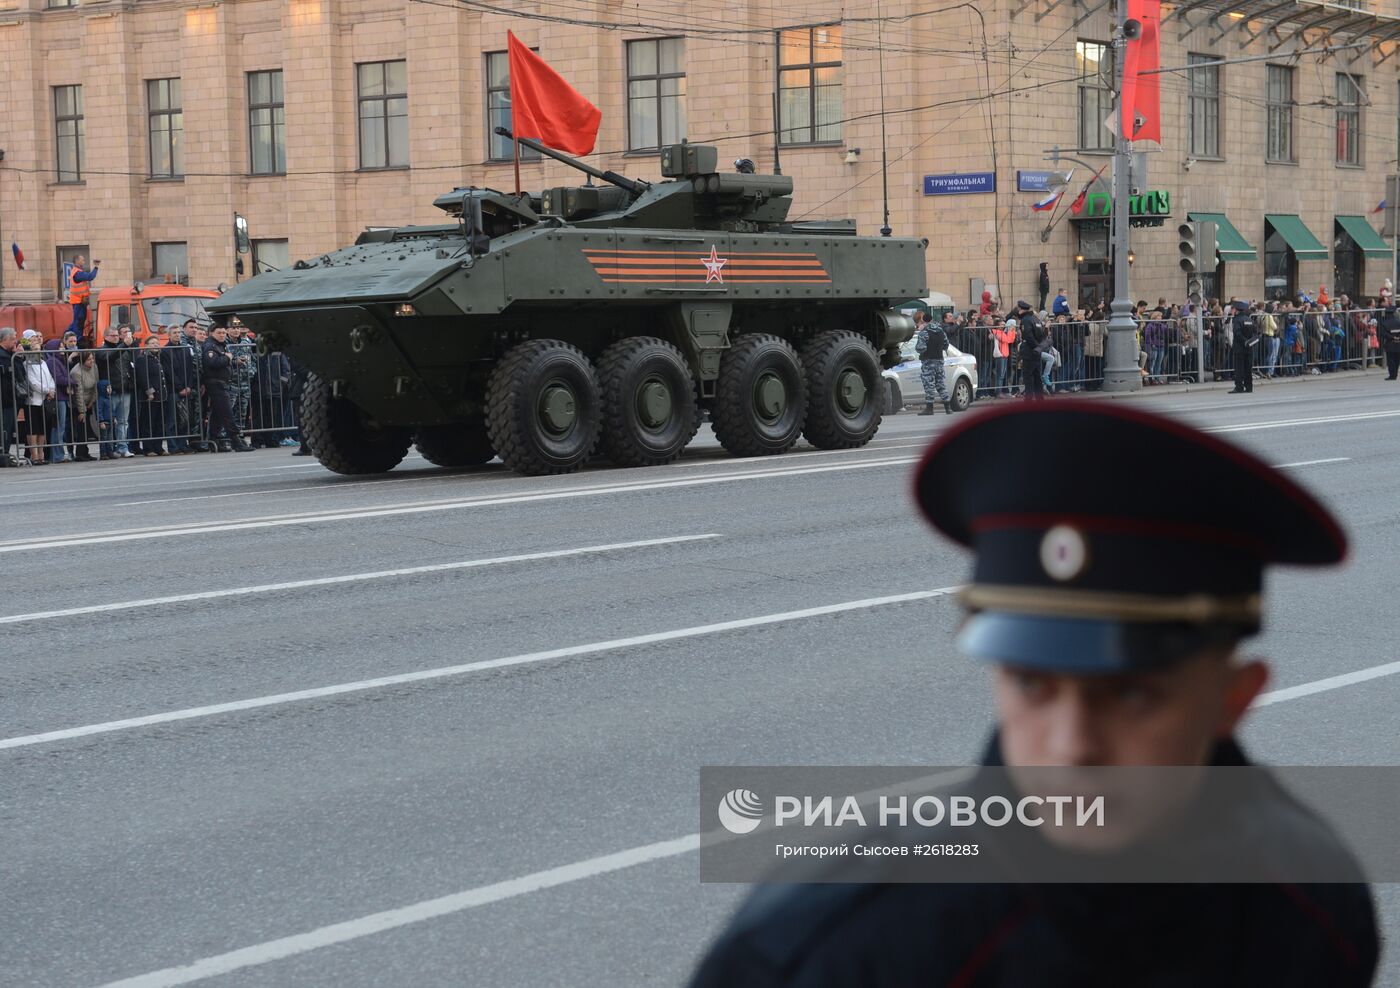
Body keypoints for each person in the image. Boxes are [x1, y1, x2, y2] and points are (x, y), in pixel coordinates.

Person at [689, 400, 1379, 988]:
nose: (1071, 745)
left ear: (1234, 698)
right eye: (1031, 683)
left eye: (1133, 695)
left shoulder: (1311, 906)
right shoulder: (834, 947)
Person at [202, 325, 251, 452]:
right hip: (216, 384)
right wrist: (227, 357)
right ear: (211, 333)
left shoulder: (220, 345)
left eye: (224, 332)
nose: (222, 335)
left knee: (218, 414)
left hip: (222, 383)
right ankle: (237, 442)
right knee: (227, 413)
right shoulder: (210, 346)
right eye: (219, 332)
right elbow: (213, 363)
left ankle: (215, 441)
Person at [19, 330, 56, 464]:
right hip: (33, 399)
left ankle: (41, 454)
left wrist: (52, 389)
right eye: (32, 339)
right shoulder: (26, 363)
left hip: (45, 399)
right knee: (33, 429)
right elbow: (33, 381)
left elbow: (50, 378)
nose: (36, 342)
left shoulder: (43, 363)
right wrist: (47, 390)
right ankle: (33, 455)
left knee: (42, 429)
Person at [162, 320, 197, 453]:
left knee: (184, 419)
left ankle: (183, 444)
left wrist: (189, 386)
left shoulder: (185, 349)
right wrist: (180, 388)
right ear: (169, 335)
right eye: (174, 333)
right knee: (172, 420)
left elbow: (189, 370)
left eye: (178, 332)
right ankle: (173, 446)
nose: (177, 335)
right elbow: (169, 372)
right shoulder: (165, 351)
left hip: (186, 389)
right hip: (173, 391)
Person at [41, 333, 74, 462]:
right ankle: (57, 455)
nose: (62, 348)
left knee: (61, 427)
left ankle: (58, 454)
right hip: (58, 398)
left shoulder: (60, 361)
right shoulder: (52, 361)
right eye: (60, 346)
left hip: (62, 397)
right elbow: (59, 379)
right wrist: (73, 381)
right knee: (58, 428)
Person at [134, 334, 169, 456]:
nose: (155, 345)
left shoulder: (157, 358)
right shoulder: (142, 359)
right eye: (152, 343)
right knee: (148, 423)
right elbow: (143, 377)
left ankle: (158, 447)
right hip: (150, 396)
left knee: (159, 423)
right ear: (146, 346)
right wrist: (150, 391)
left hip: (161, 395)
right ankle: (148, 448)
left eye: (157, 343)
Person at [913, 311, 951, 416]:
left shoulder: (924, 332)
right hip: (939, 360)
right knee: (940, 384)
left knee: (929, 385)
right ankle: (948, 407)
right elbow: (946, 344)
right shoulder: (940, 331)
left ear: (923, 321)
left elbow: (920, 348)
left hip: (928, 361)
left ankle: (929, 409)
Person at [68, 349, 99, 461]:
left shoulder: (94, 367)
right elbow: (79, 393)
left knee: (87, 428)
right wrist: (82, 411)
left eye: (92, 358)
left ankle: (85, 452)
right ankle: (80, 453)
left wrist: (92, 401)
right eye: (89, 359)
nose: (92, 361)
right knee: (81, 428)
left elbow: (96, 385)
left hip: (89, 399)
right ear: (82, 360)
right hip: (78, 402)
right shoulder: (76, 372)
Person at [1015, 301, 1047, 400]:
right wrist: (1038, 347)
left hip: (1029, 351)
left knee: (1028, 377)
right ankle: (1039, 399)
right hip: (1036, 351)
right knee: (1037, 376)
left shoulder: (1026, 320)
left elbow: (1028, 336)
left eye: (1019, 309)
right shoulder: (1036, 319)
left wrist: (1034, 346)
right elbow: (1041, 335)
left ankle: (1028, 400)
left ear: (1022, 310)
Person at [0, 327, 23, 466]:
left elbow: (20, 373)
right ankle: (3, 456)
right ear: (4, 339)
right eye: (13, 339)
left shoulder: (9, 354)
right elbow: (15, 372)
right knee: (5, 429)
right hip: (4, 398)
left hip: (10, 398)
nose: (15, 341)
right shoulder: (3, 356)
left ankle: (6, 454)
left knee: (8, 429)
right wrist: (17, 357)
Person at [65, 255, 100, 340]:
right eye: (82, 260)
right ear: (77, 261)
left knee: (77, 322)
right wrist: (96, 266)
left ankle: (68, 337)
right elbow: (90, 277)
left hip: (79, 302)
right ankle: (75, 340)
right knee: (78, 323)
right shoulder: (78, 273)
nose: (84, 261)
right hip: (78, 302)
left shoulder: (77, 271)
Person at [1229, 301, 1257, 393]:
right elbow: (1256, 331)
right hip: (1249, 347)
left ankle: (1239, 387)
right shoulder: (1249, 319)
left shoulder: (1237, 320)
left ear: (1236, 310)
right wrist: (1250, 342)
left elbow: (1237, 333)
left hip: (1240, 347)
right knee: (1248, 368)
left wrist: (1245, 341)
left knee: (1239, 368)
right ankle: (1249, 387)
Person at [1379, 304, 1400, 380]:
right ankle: (1395, 374)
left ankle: (1392, 375)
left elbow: (1383, 333)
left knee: (1391, 360)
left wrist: (1392, 337)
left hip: (1390, 343)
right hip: (1398, 343)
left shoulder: (1384, 323)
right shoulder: (1398, 321)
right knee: (1397, 360)